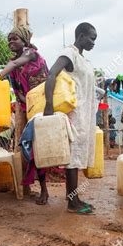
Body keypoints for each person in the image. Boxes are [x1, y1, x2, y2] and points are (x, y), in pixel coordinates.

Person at [44, 22, 97, 214]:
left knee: (77, 155)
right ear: (81, 35)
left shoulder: (82, 59)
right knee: (73, 157)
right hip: (74, 113)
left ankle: (74, 198)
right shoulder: (70, 53)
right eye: (92, 38)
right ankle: (72, 203)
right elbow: (51, 75)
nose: (93, 42)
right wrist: (48, 106)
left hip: (84, 114)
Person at [0, 27, 50, 204]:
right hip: (30, 108)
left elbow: (15, 65)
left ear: (25, 41)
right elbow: (16, 86)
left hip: (44, 106)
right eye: (9, 40)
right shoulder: (14, 60)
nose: (11, 42)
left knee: (42, 147)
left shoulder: (30, 53)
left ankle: (45, 191)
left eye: (15, 39)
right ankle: (42, 189)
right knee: (33, 147)